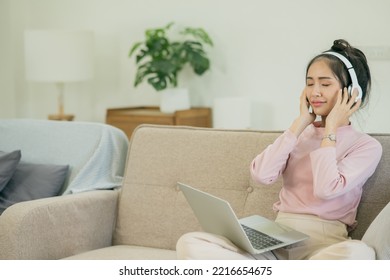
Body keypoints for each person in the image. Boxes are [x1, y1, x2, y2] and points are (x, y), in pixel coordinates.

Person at [176, 39, 383, 260]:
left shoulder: (366, 146)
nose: (315, 92)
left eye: (325, 84)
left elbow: (326, 189)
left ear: (352, 93)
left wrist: (330, 128)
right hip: (278, 240)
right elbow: (261, 175)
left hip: (324, 246)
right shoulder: (297, 135)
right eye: (310, 83)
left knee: (359, 254)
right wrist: (300, 123)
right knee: (190, 243)